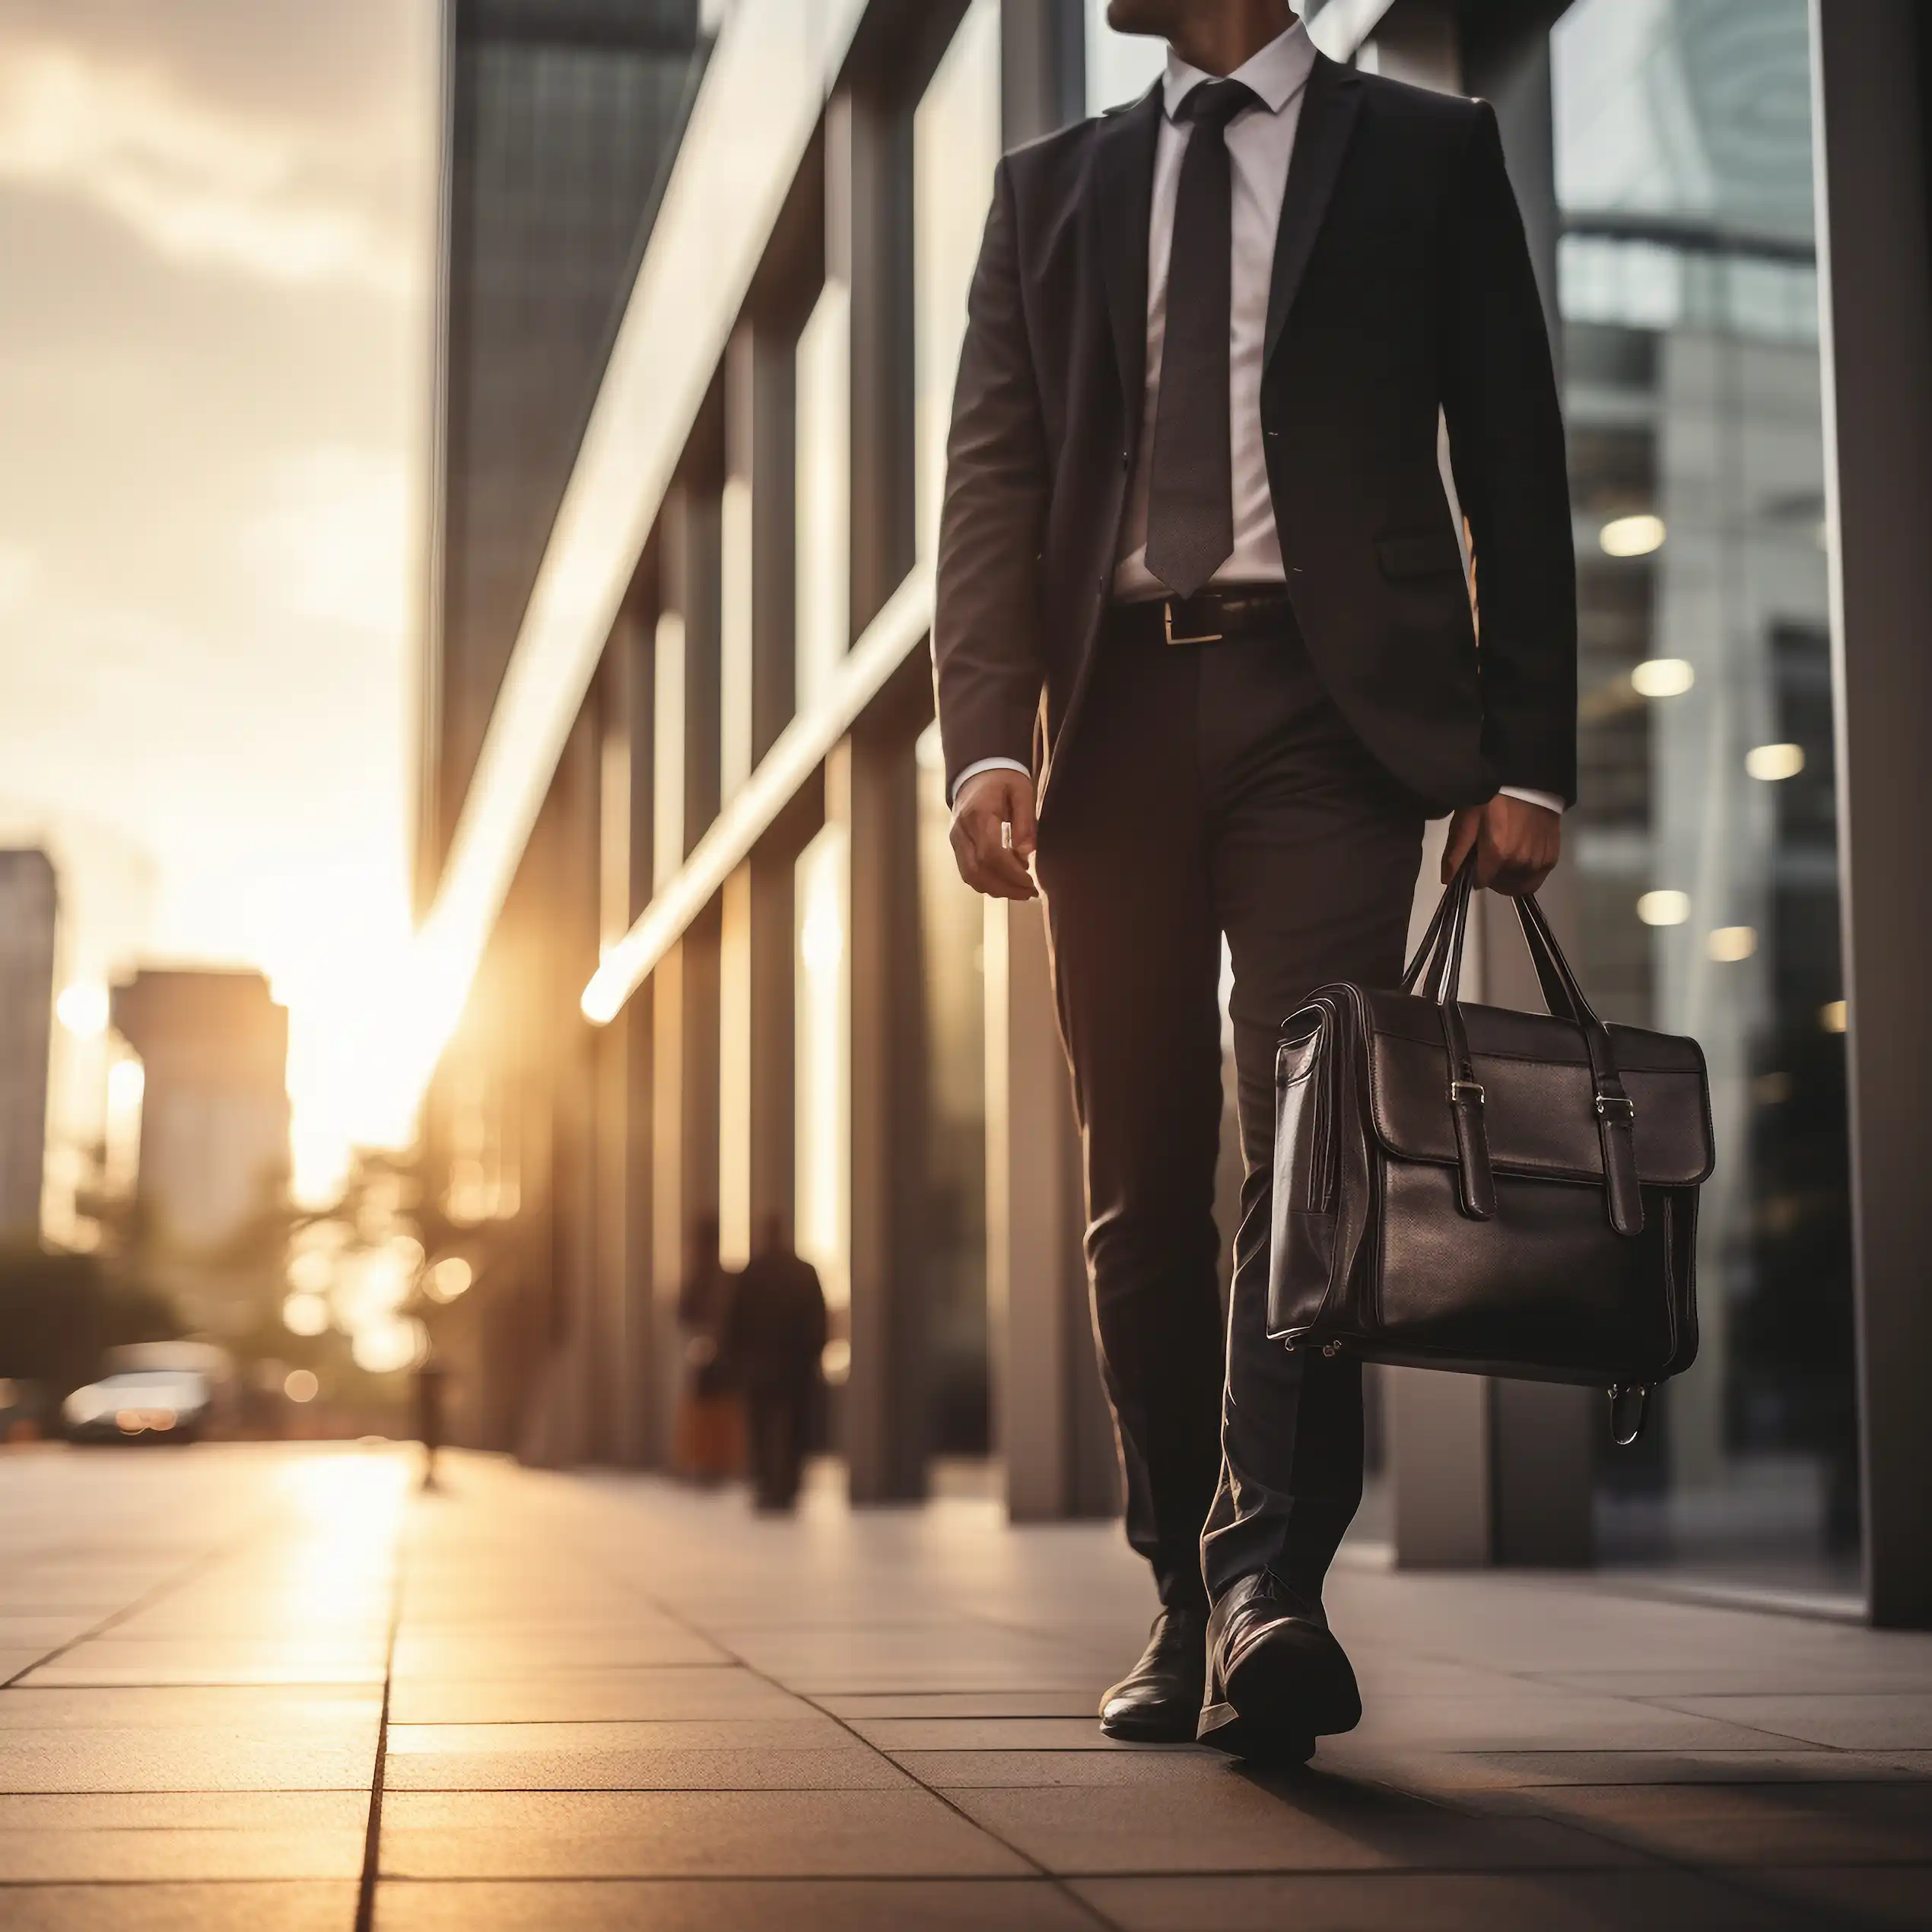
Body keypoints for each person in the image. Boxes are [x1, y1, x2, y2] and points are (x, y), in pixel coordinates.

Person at [933, 0, 1574, 1761]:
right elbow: (990, 470)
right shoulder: (1045, 185)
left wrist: (1523, 751)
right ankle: (1169, 1583)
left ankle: (1264, 1585)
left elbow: (1508, 448)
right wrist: (982, 734)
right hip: (1112, 716)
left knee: (1304, 1146)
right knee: (1137, 1172)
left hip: (1327, 705)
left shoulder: (1424, 152)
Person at [720, 1215, 828, 1513]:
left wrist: (734, 1360)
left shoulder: (752, 1273)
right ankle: (787, 1484)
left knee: (761, 1426)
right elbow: (818, 1319)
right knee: (794, 1427)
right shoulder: (803, 1272)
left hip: (760, 1366)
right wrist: (815, 1355)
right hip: (795, 1366)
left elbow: (733, 1321)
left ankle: (767, 1482)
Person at [675, 1213, 742, 1483]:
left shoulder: (714, 1278)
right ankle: (707, 1462)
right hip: (708, 1354)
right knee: (705, 1411)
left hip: (718, 1356)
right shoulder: (709, 1277)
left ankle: (713, 1462)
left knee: (714, 1410)